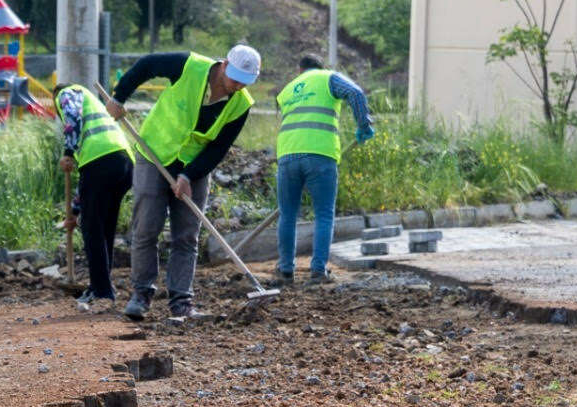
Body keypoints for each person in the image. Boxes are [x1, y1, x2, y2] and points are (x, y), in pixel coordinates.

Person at [104, 44, 259, 321]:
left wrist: (189, 175)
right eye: (234, 79)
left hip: (194, 166)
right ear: (223, 65)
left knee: (187, 235)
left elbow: (218, 148)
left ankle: (181, 301)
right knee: (146, 227)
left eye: (244, 83)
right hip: (154, 154)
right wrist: (119, 97)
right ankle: (141, 294)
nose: (237, 87)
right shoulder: (189, 65)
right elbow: (147, 64)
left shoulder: (242, 103)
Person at [274, 54, 374, 285]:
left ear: (300, 70)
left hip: (287, 154)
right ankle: (318, 271)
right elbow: (356, 93)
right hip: (320, 154)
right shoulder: (328, 78)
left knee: (287, 214)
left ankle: (285, 271)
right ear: (320, 67)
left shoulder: (287, 90)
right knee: (323, 214)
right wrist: (364, 124)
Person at [52, 82, 134, 311]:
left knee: (92, 229)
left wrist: (68, 153)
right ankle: (103, 287)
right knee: (103, 228)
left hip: (100, 160)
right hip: (124, 162)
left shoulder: (67, 94)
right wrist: (75, 212)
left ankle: (101, 291)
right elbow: (87, 185)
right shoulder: (92, 102)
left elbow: (72, 117)